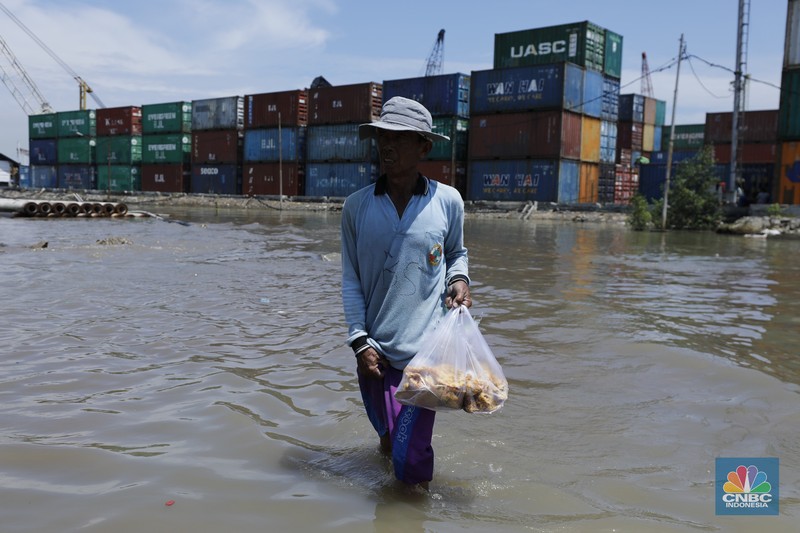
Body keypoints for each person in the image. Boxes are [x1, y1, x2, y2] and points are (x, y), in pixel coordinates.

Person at [340, 96, 471, 488]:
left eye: (398, 136)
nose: (387, 145)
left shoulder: (447, 201)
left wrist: (459, 280)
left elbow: (455, 254)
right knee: (386, 441)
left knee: (410, 459)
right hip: (374, 355)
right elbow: (350, 279)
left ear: (424, 146)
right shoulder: (356, 207)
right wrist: (359, 342)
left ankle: (410, 514)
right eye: (382, 136)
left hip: (424, 356)